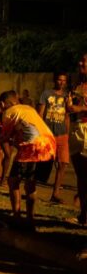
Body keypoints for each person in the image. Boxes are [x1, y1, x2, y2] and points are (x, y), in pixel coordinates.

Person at [0, 90, 56, 230]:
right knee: (30, 184)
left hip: (33, 147)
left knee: (12, 180)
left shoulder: (9, 112)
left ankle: (16, 217)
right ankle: (30, 219)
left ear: (2, 104)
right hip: (49, 146)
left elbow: (4, 137)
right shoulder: (28, 109)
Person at [38, 72, 70, 203]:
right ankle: (32, 189)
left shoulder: (67, 96)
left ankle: (55, 193)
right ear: (55, 80)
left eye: (64, 80)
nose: (61, 82)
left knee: (63, 163)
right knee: (43, 162)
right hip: (48, 133)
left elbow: (67, 115)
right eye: (59, 80)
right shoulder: (46, 94)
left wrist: (67, 133)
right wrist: (39, 130)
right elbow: (40, 113)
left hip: (62, 134)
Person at [66, 53, 87, 226]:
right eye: (80, 60)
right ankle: (83, 216)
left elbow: (79, 107)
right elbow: (71, 107)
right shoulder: (77, 84)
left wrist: (79, 107)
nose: (81, 63)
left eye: (85, 61)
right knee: (80, 175)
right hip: (76, 129)